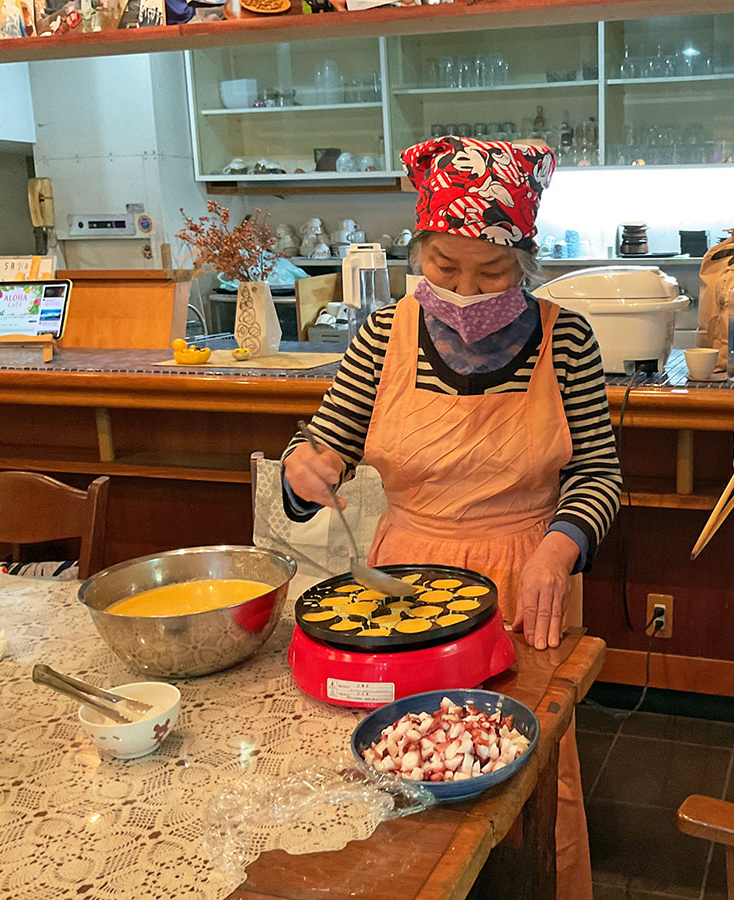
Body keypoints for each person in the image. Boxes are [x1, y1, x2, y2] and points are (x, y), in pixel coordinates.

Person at [283, 135, 620, 900]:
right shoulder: (381, 334)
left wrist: (560, 547)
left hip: (527, 576)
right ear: (420, 251)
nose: (467, 289)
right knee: (407, 761)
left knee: (522, 777)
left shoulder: (566, 339)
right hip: (401, 580)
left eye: (493, 272)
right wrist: (308, 466)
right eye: (445, 267)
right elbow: (322, 443)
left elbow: (598, 475)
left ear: (525, 263)